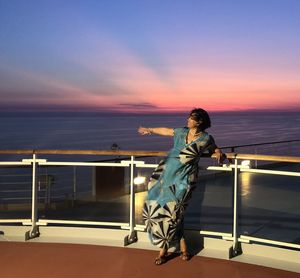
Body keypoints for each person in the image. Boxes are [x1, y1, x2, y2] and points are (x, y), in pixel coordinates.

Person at [138, 108, 223, 265]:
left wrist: (218, 152)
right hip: (165, 174)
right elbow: (165, 130)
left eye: (191, 118)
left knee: (175, 212)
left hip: (185, 179)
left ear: (199, 122)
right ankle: (183, 247)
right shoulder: (180, 132)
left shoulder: (205, 138)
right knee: (163, 209)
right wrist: (149, 129)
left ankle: (163, 250)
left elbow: (213, 147)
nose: (187, 120)